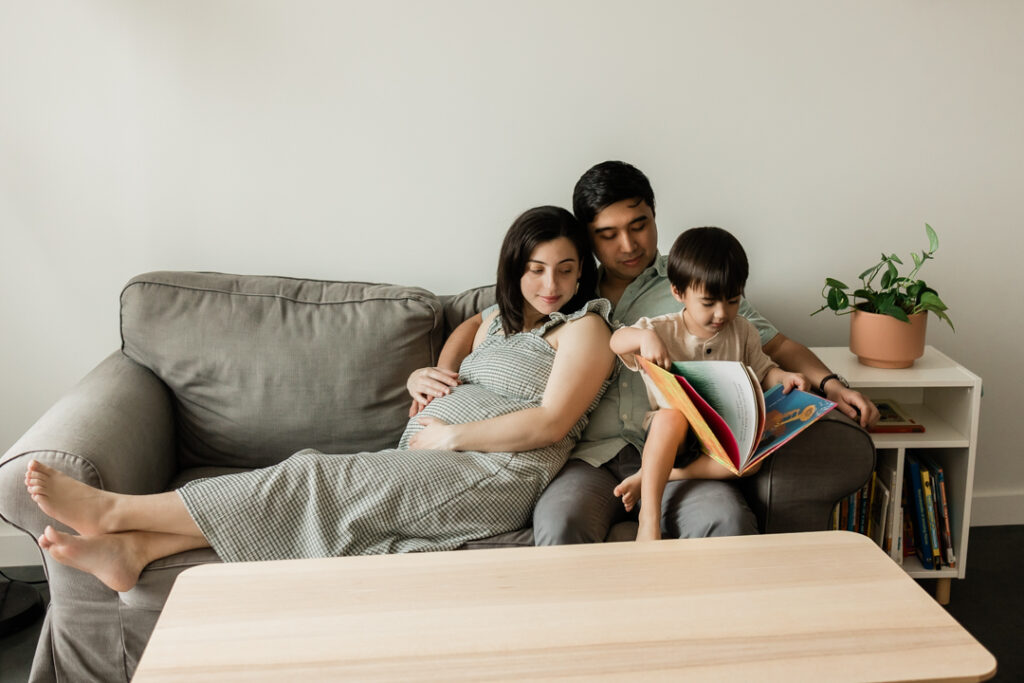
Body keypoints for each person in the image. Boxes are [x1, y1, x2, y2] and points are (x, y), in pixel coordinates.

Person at [24, 205, 616, 593]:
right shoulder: (506, 317)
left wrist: (455, 433)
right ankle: (135, 551)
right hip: (439, 458)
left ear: (581, 273)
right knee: (315, 497)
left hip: (495, 472)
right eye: (536, 269)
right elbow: (469, 327)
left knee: (310, 478)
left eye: (566, 270)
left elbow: (550, 420)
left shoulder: (585, 328)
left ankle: (117, 512)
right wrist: (435, 371)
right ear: (514, 269)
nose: (551, 285)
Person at [409, 161, 879, 544]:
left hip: (682, 453)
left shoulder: (693, 284)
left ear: (655, 216)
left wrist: (833, 384)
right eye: (608, 234)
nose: (629, 244)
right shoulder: (565, 283)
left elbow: (777, 346)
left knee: (726, 525)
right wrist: (439, 374)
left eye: (639, 225)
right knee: (559, 525)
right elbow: (478, 320)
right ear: (588, 238)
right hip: (591, 456)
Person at [609, 226, 809, 541]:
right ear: (679, 293)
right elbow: (616, 341)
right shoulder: (661, 329)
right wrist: (643, 338)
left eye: (732, 301)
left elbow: (764, 369)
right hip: (670, 435)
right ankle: (649, 522)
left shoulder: (743, 330)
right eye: (709, 303)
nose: (721, 313)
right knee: (670, 417)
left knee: (750, 463)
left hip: (716, 435)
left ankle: (647, 475)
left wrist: (784, 377)